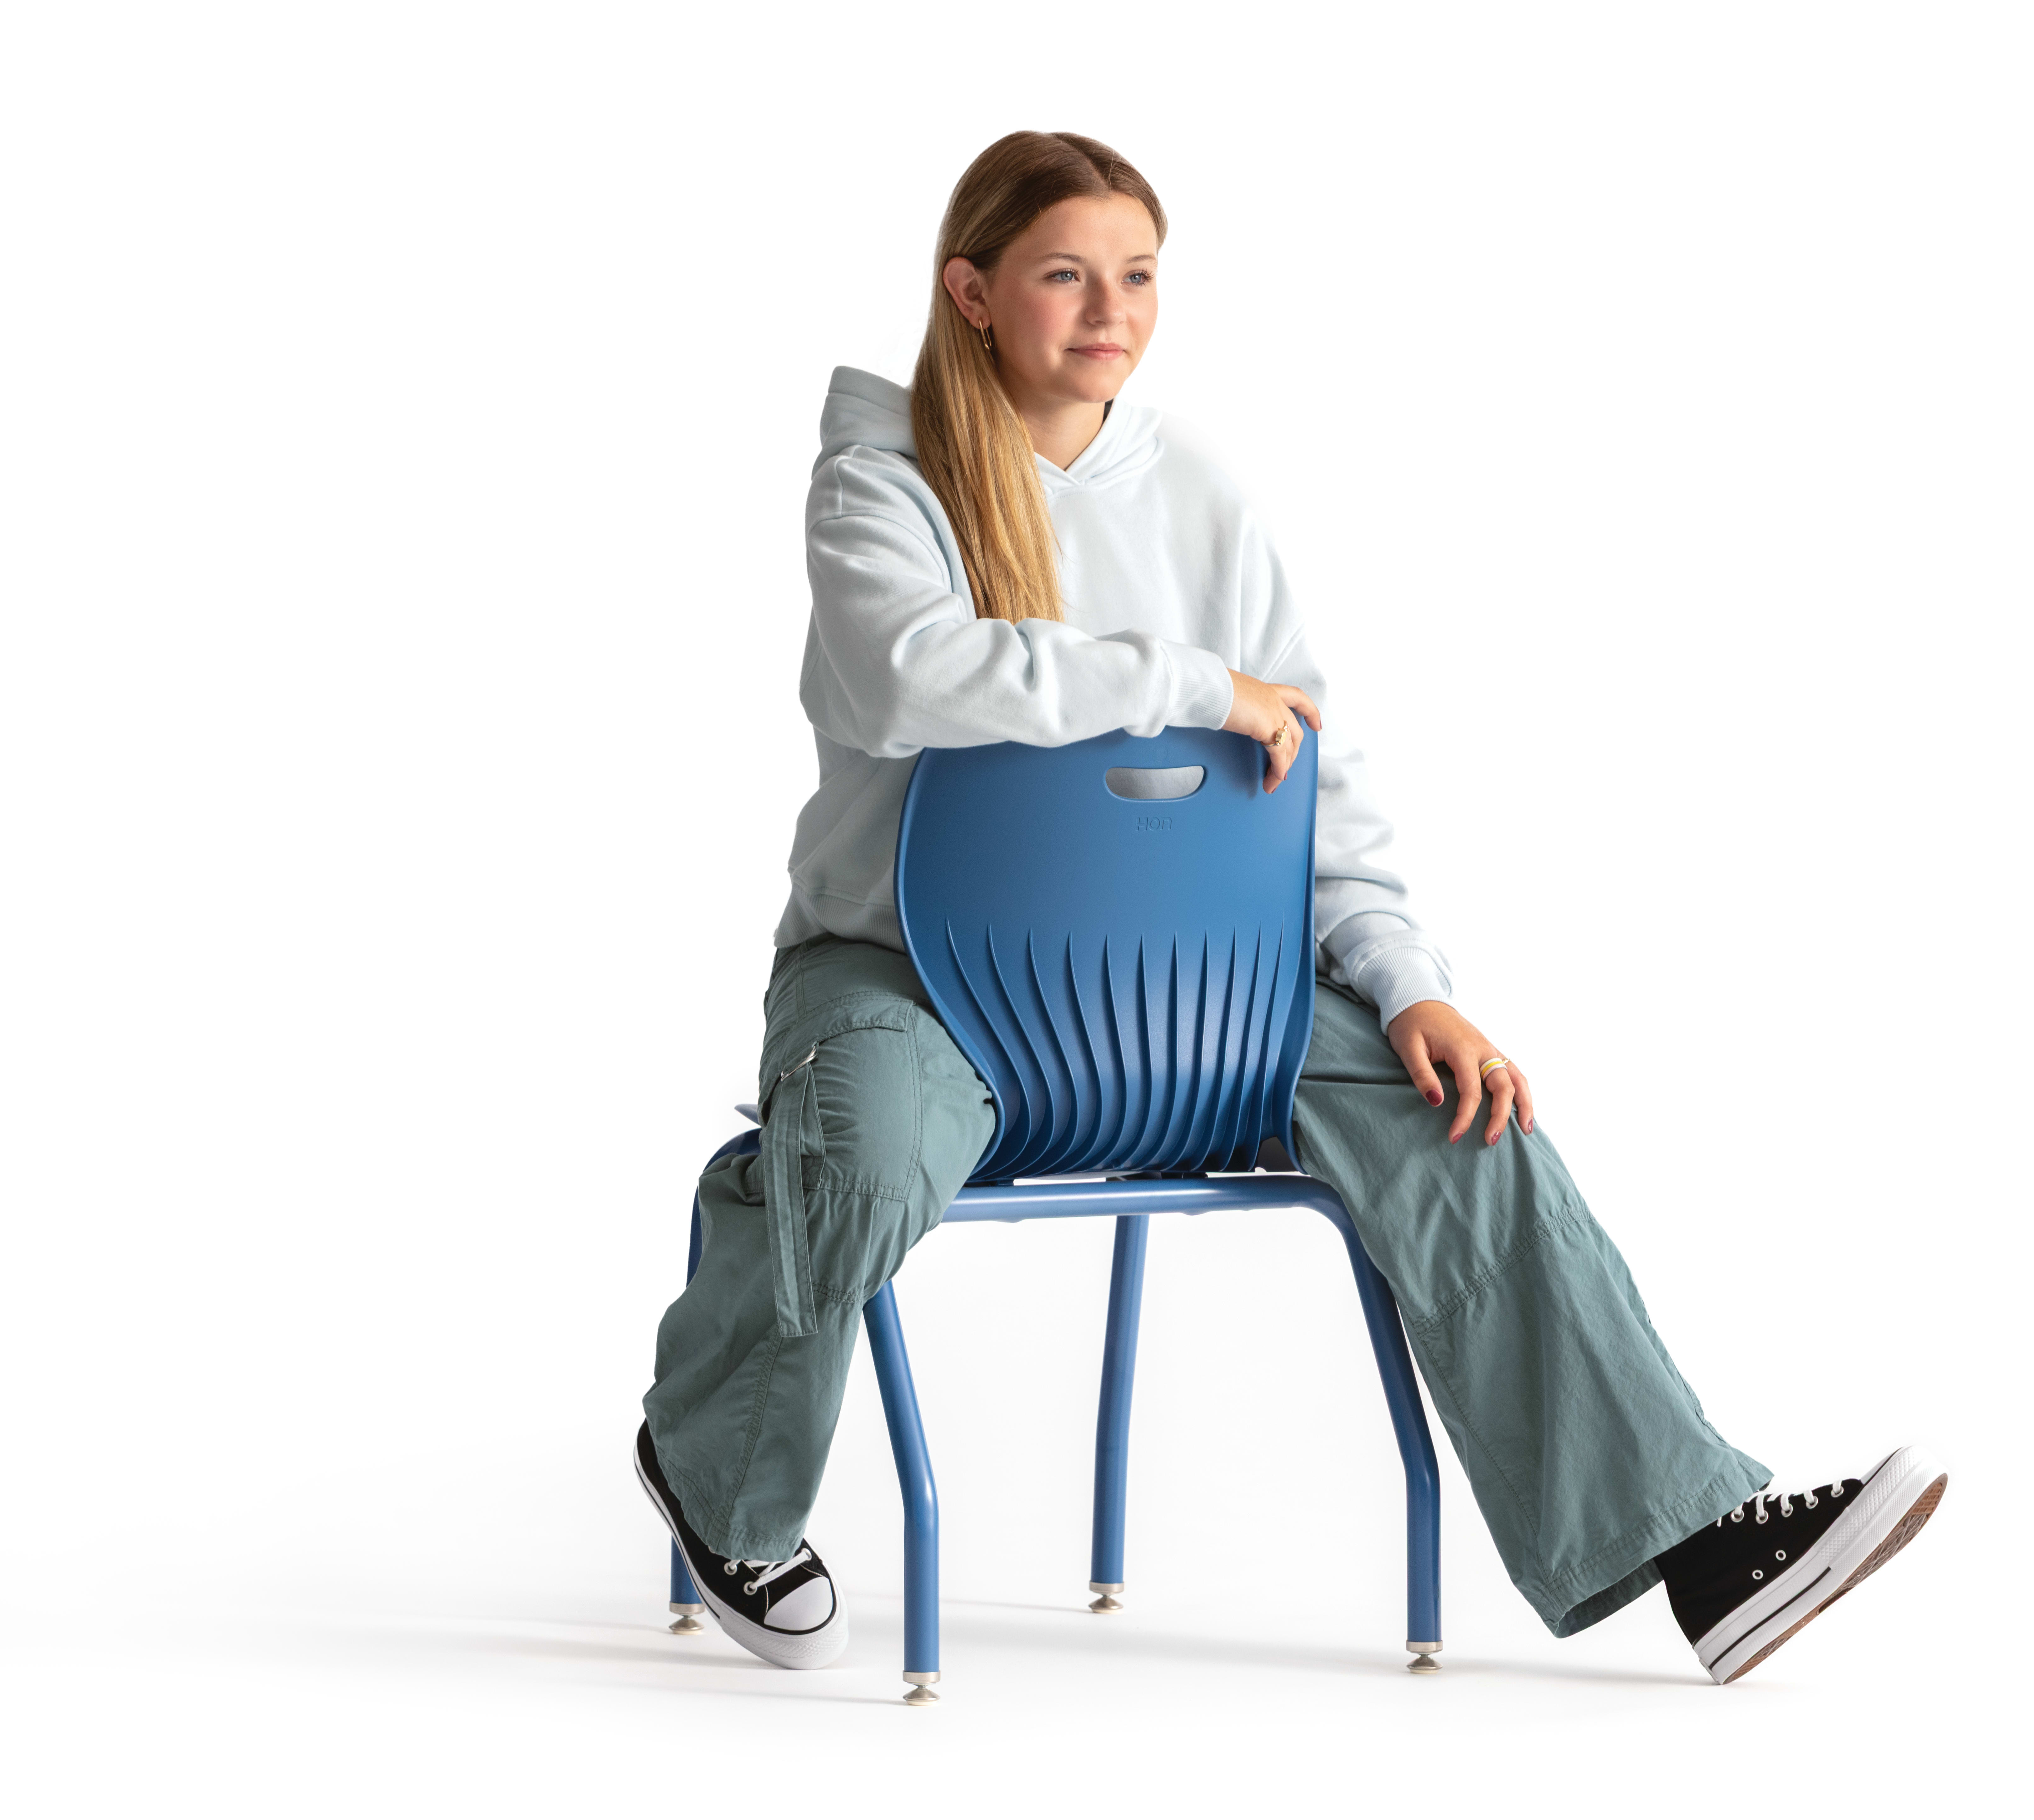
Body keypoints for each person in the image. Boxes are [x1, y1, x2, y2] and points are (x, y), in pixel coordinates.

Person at [632, 130, 1943, 1687]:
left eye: (1136, 275)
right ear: (973, 291)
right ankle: (721, 1473)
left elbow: (1310, 775)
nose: (1109, 308)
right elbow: (914, 675)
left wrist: (1405, 981)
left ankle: (1698, 1543)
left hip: (1187, 995)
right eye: (1066, 273)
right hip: (910, 972)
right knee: (855, 1155)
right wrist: (1193, 686)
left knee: (1459, 1113)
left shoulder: (1196, 491)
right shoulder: (881, 478)